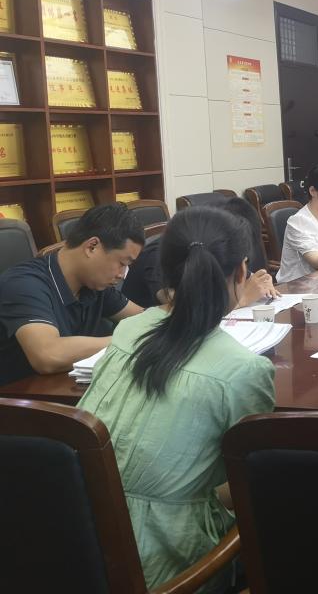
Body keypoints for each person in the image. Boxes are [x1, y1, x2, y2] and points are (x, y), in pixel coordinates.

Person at [78, 206, 276, 591]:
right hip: (170, 566)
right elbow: (247, 485)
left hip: (81, 537)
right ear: (242, 272)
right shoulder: (245, 370)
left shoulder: (129, 330)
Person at [0, 203, 145, 385]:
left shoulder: (94, 285)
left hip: (62, 390)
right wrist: (128, 341)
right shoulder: (24, 284)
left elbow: (145, 320)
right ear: (92, 246)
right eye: (122, 263)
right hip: (17, 398)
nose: (122, 274)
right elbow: (47, 355)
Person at [122, 196, 278, 308]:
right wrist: (242, 299)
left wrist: (260, 282)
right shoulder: (162, 254)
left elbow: (240, 275)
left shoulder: (215, 249)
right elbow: (181, 307)